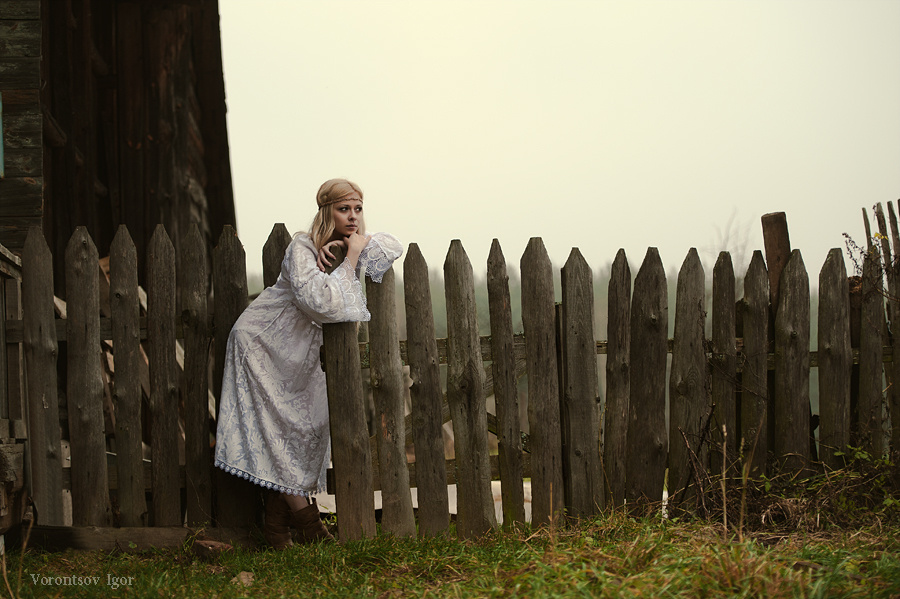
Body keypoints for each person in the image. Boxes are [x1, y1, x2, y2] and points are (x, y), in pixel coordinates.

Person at [214, 179, 403, 548]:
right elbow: (320, 303)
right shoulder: (302, 246)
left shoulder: (350, 242)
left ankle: (277, 531)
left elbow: (392, 247)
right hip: (262, 343)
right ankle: (311, 528)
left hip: (301, 354)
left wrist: (351, 244)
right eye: (343, 209)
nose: (352, 217)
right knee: (275, 429)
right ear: (326, 211)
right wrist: (350, 258)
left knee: (306, 428)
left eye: (358, 209)